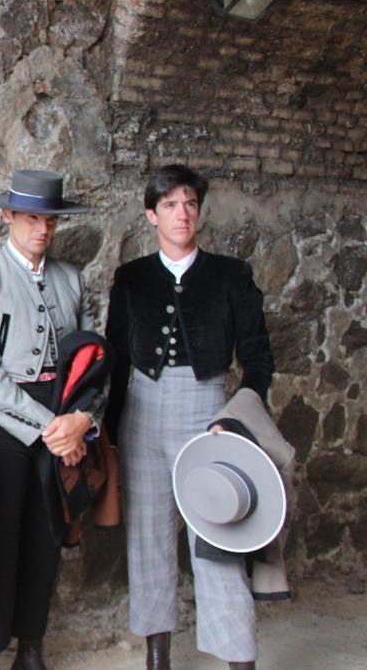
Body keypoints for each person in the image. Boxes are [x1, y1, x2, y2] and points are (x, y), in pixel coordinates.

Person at [104, 164, 274, 670]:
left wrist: (236, 418)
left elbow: (259, 359)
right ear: (152, 214)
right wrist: (110, 437)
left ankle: (237, 658)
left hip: (208, 412)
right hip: (142, 413)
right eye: (172, 205)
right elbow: (116, 361)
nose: (183, 214)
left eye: (190, 204)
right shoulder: (131, 278)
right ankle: (158, 656)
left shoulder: (231, 275)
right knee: (148, 539)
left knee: (217, 540)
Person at [0, 169, 99, 670]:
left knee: (47, 534)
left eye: (50, 218)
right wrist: (46, 428)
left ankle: (32, 647)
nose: (43, 228)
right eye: (32, 216)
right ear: (8, 215)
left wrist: (80, 420)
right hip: (6, 422)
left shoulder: (70, 278)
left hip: (63, 418)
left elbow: (92, 360)